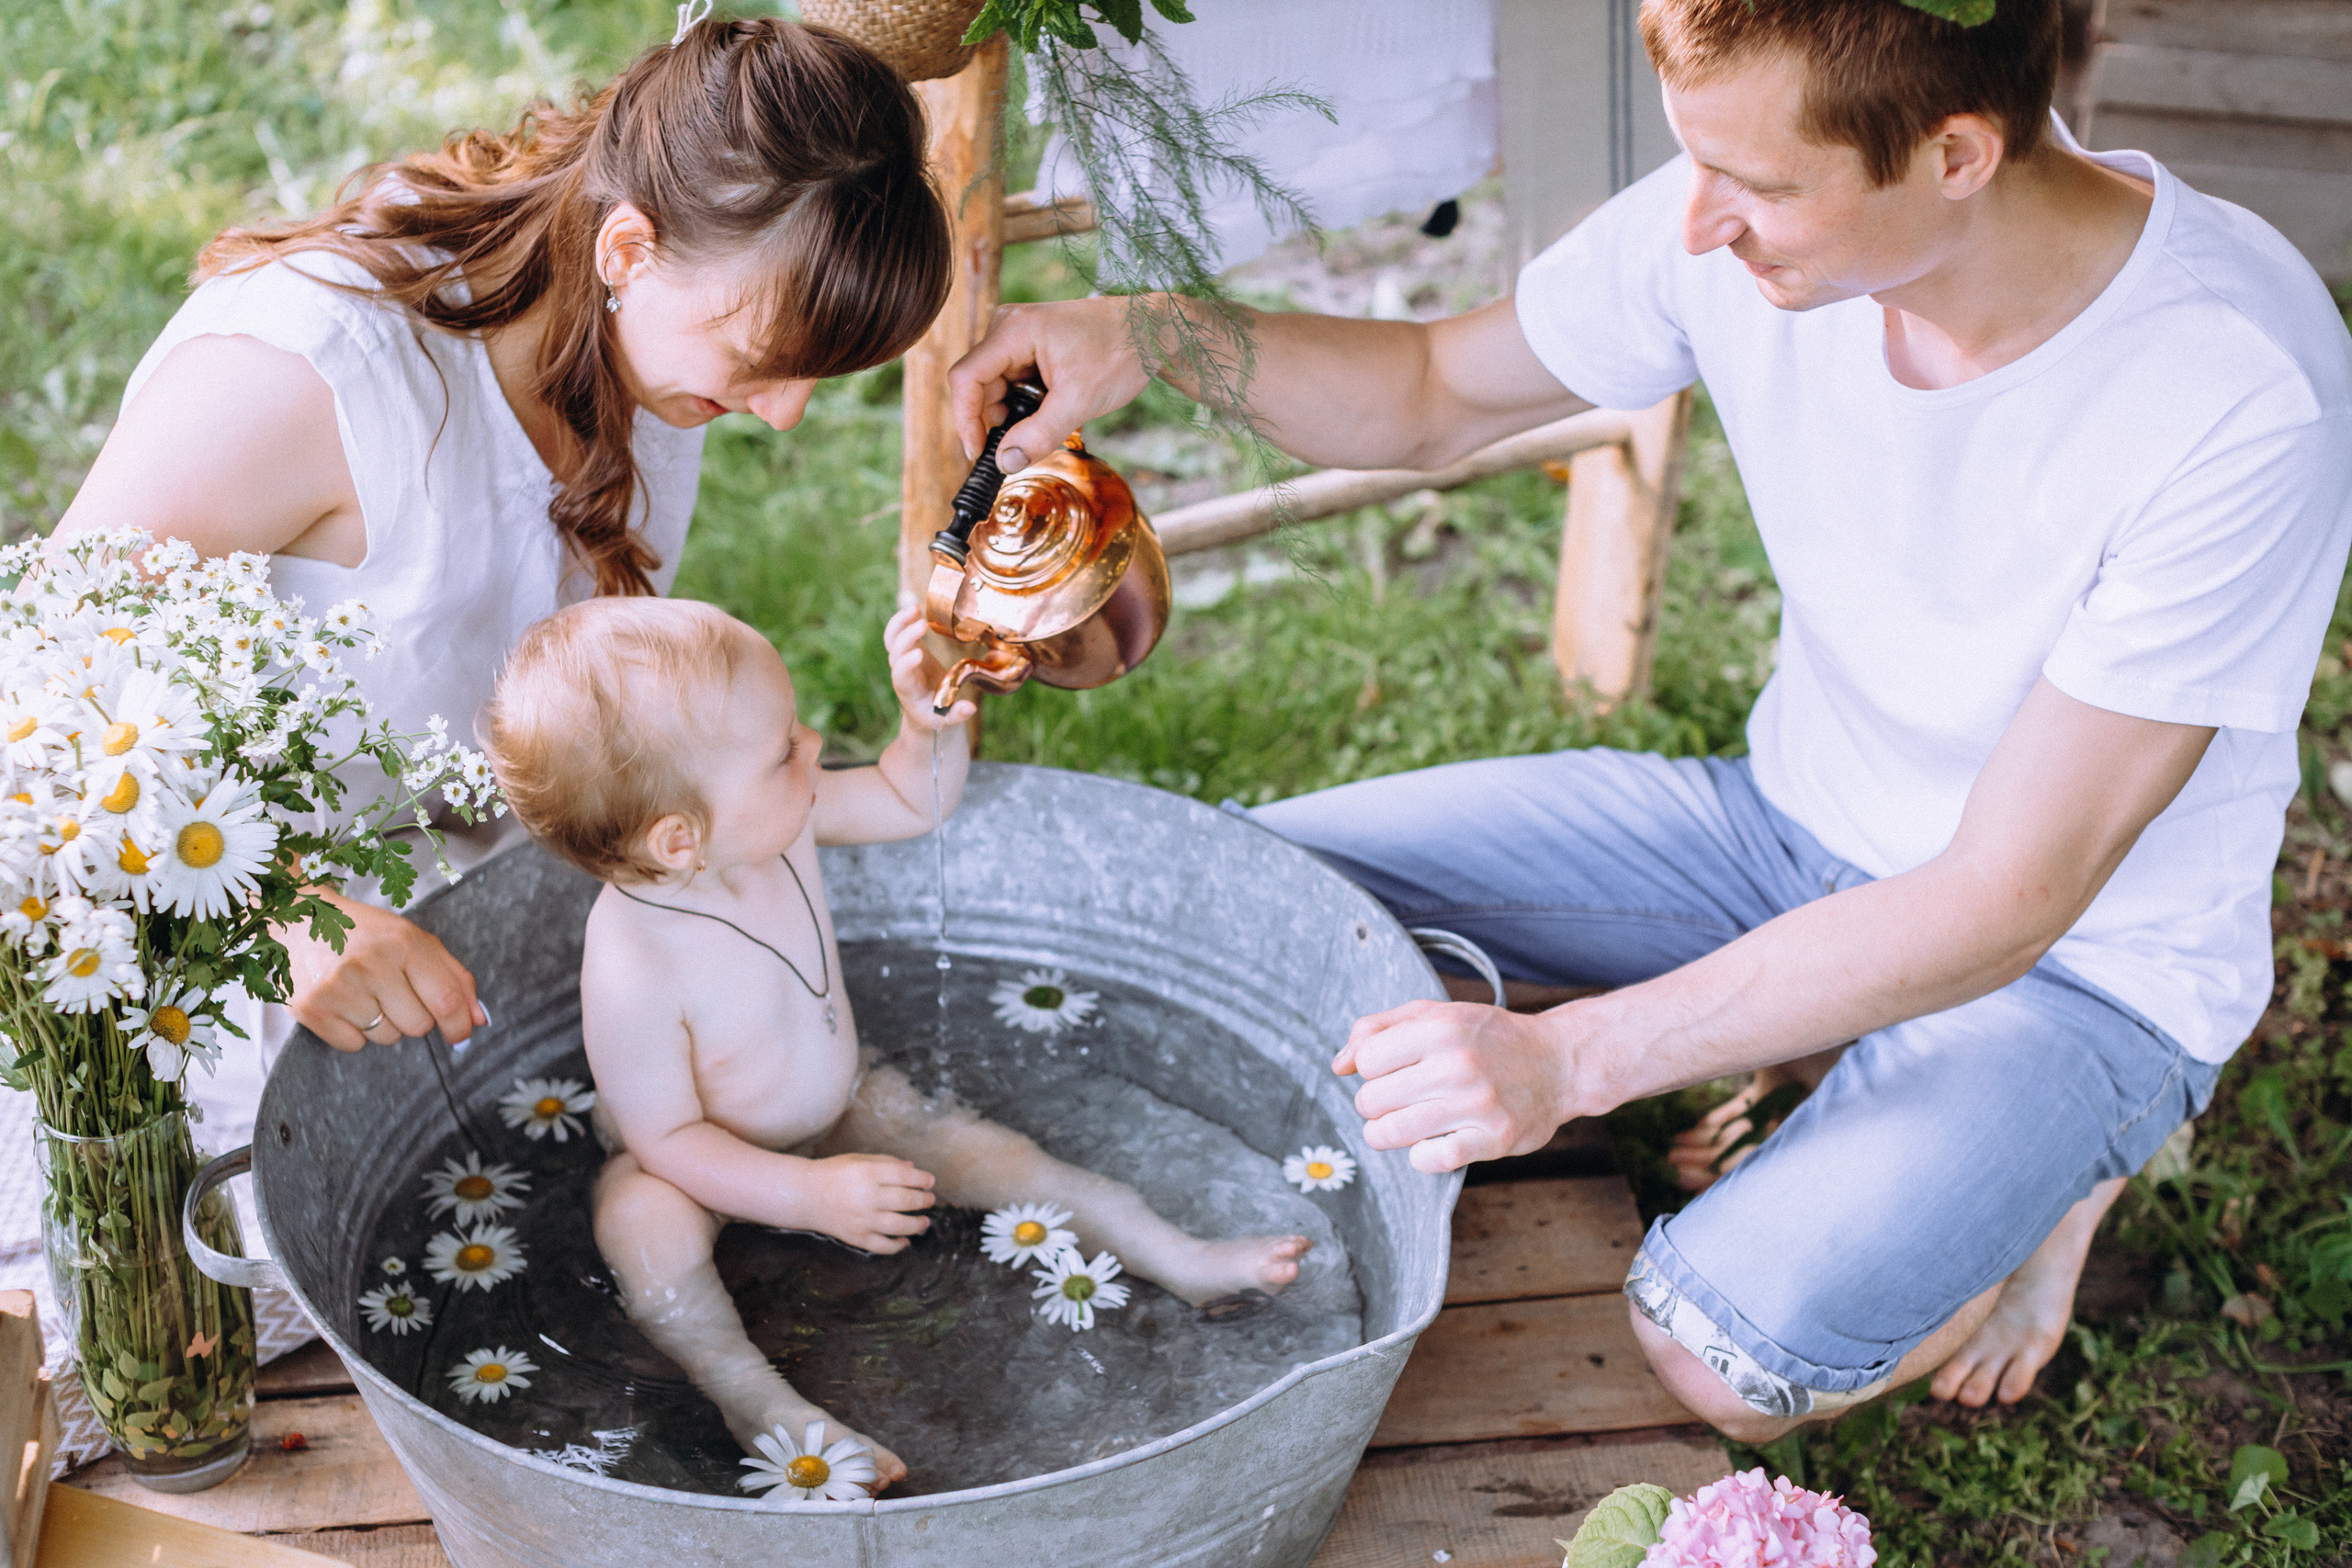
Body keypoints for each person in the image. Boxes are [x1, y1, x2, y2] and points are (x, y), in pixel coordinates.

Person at [946, 0, 2352, 1440]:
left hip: (2075, 963)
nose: (1699, 227)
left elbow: (2008, 895)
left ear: (1957, 153)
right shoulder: (1740, 209)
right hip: (1780, 826)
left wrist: (1573, 1060)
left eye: (1756, 185)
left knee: (1722, 1352)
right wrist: (1153, 333)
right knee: (1230, 905)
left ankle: (2046, 1174)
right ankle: (1832, 1061)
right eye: (1698, 165)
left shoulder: (2236, 385)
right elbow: (1434, 394)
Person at [51, 16, 952, 1139]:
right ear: (628, 249)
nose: (784, 412)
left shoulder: (645, 338)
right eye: (766, 362)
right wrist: (277, 917)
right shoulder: (312, 379)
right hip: (198, 947)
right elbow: (32, 696)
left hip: (472, 926)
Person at [481, 595, 1313, 1486]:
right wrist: (804, 1194)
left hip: (840, 1104)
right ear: (680, 839)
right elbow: (667, 1138)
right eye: (780, 750)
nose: (810, 747)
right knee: (645, 1234)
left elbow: (903, 802)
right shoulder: (634, 962)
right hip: (696, 1163)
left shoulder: (772, 826)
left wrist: (928, 733)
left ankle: (1174, 1255)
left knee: (993, 1156)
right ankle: (757, 1399)